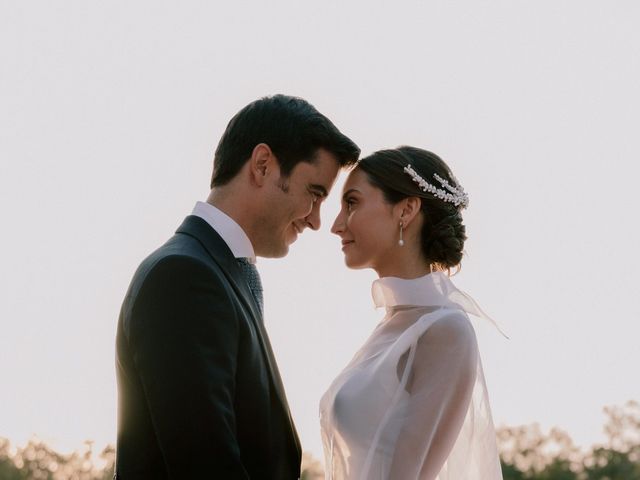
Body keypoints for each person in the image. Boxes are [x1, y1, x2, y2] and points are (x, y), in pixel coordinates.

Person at [115, 94, 360, 479]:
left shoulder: (224, 275)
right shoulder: (182, 278)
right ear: (262, 166)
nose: (315, 221)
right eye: (314, 194)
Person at [320, 146, 502, 479]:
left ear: (406, 210)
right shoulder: (389, 327)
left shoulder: (445, 330)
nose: (336, 225)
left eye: (352, 203)